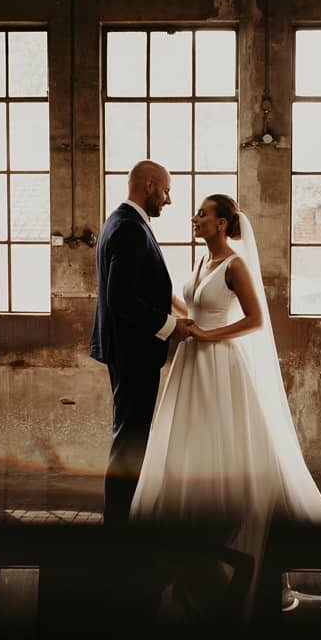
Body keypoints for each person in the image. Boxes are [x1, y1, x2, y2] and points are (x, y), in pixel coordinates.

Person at [129, 194, 321, 620]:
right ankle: (189, 511)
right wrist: (175, 312)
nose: (195, 218)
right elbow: (197, 306)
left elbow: (256, 319)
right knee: (188, 434)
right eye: (197, 213)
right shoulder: (202, 262)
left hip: (219, 361)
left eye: (203, 214)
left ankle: (223, 510)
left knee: (219, 431)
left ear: (223, 223)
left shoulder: (235, 265)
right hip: (191, 359)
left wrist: (209, 336)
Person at [90, 160, 194, 525]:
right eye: (165, 191)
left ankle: (122, 515)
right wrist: (170, 326)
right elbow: (120, 298)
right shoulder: (130, 229)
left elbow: (141, 288)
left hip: (127, 348)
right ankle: (118, 524)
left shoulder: (120, 222)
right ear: (149, 186)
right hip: (133, 351)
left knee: (130, 434)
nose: (168, 200)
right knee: (130, 438)